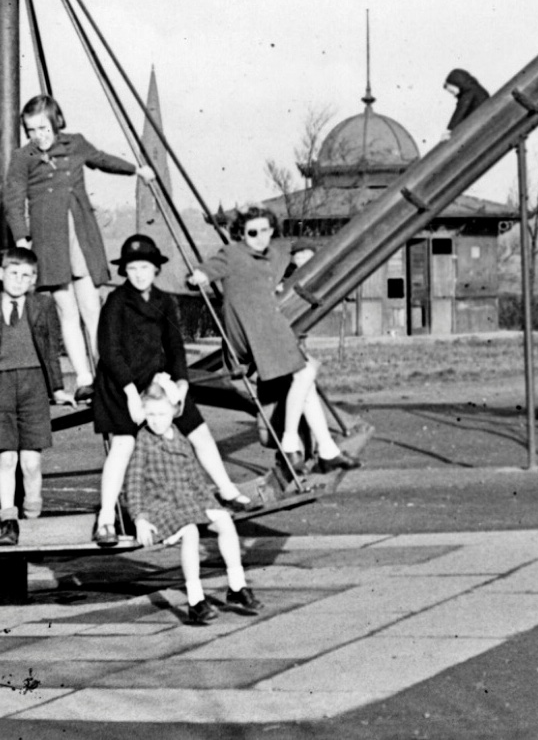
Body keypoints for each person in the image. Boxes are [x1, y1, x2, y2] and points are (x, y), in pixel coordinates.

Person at [90, 234, 251, 547]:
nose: (139, 274)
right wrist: (131, 396)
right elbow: (109, 351)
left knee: (199, 432)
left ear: (156, 270)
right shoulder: (117, 302)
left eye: (145, 267)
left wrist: (181, 383)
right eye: (133, 268)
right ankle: (106, 519)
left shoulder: (165, 301)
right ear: (125, 271)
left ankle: (227, 490)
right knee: (123, 444)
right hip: (120, 385)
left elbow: (175, 346)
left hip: (156, 382)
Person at [3, 95, 155, 402]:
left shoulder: (75, 144)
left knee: (91, 307)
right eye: (31, 130)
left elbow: (102, 159)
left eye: (43, 128)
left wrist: (136, 170)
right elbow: (13, 198)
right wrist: (22, 237)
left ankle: (109, 372)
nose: (38, 136)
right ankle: (84, 377)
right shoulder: (23, 158)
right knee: (66, 310)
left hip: (80, 234)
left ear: (57, 122)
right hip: (49, 240)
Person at [188, 208, 361, 475]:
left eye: (265, 231)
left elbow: (298, 247)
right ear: (242, 234)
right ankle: (290, 442)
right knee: (306, 372)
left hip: (270, 327)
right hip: (249, 331)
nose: (259, 237)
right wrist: (198, 276)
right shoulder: (233, 254)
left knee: (305, 382)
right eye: (252, 233)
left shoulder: (278, 251)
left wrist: (303, 258)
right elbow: (210, 268)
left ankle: (327, 450)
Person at [0, 247, 75, 546]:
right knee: (6, 459)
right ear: (0, 274)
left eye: (26, 276)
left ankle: (33, 515)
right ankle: (9, 521)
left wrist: (57, 388)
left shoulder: (43, 307)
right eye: (13, 273)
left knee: (31, 463)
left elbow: (51, 350)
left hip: (33, 387)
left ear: (34, 279)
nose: (19, 280)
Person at [124, 383, 264, 626]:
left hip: (187, 502)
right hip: (161, 507)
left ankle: (237, 585)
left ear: (175, 412)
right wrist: (140, 518)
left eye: (162, 414)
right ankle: (196, 601)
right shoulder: (144, 441)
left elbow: (196, 478)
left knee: (225, 521)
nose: (156, 421)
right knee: (190, 532)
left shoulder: (179, 436)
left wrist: (212, 507)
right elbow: (133, 483)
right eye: (150, 415)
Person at [443, 69, 489, 137]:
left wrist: (449, 130)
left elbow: (461, 109)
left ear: (456, 83)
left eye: (452, 91)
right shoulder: (472, 88)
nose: (453, 95)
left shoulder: (470, 91)